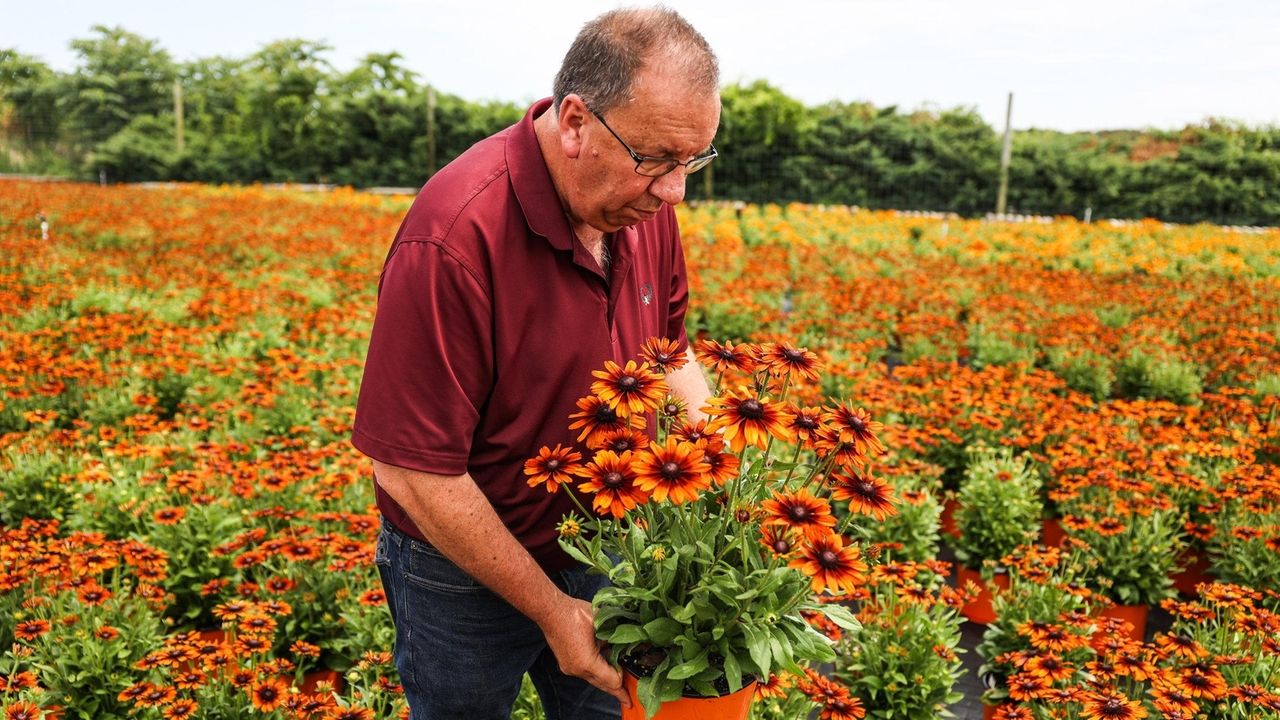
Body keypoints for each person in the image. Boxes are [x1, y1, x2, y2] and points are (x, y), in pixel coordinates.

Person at [351, 7, 720, 719]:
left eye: (692, 161)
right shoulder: (454, 237)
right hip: (459, 572)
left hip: (605, 536)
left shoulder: (644, 206)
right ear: (576, 122)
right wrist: (553, 611)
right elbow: (412, 467)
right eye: (655, 160)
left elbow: (668, 348)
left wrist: (721, 462)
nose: (675, 192)